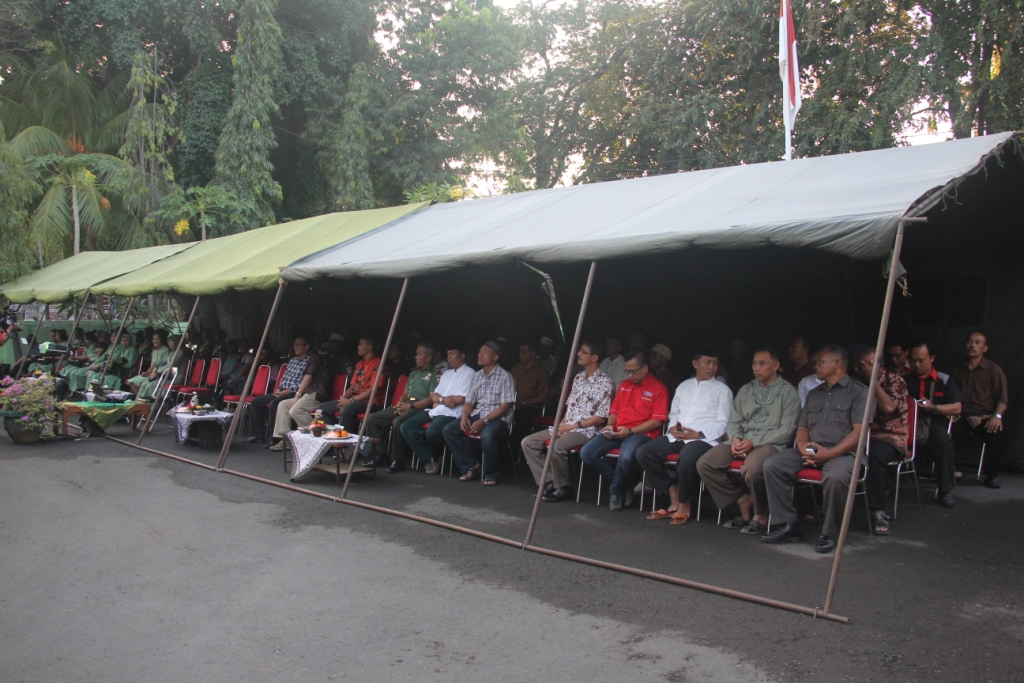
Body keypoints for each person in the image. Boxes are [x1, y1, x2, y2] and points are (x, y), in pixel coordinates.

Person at [761, 344, 868, 553]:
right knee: (772, 465)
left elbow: (859, 433)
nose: (815, 366)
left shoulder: (859, 392)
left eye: (820, 362)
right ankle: (788, 525)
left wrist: (830, 453)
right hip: (812, 450)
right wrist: (803, 448)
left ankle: (828, 532)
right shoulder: (814, 394)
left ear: (837, 363)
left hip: (844, 454)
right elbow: (803, 428)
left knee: (835, 478)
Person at [696, 346, 800, 535]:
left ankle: (761, 514)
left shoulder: (789, 392)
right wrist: (736, 438)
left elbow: (787, 430)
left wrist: (754, 442)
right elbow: (734, 420)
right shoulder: (746, 389)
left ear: (776, 365)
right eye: (754, 363)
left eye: (762, 363)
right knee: (705, 463)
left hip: (769, 444)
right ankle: (742, 500)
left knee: (752, 469)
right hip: (741, 440)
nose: (756, 368)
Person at [635, 346, 732, 524]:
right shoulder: (684, 386)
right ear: (695, 364)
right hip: (678, 435)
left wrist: (698, 434)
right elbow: (674, 413)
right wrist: (673, 428)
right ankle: (672, 489)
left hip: (704, 439)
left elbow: (723, 423)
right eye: (707, 362)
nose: (711, 367)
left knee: (686, 459)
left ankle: (684, 503)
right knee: (644, 452)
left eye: (715, 363)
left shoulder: (722, 390)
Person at [521, 341, 614, 502]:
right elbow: (570, 407)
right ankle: (549, 482)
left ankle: (564, 487)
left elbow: (601, 418)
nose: (578, 354)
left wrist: (572, 426)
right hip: (568, 426)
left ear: (594, 358)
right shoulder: (578, 378)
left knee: (557, 446)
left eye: (583, 352)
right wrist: (561, 425)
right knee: (528, 442)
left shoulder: (605, 382)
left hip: (586, 430)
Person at [579, 350, 669, 511]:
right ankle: (626, 483)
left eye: (633, 371)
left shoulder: (658, 388)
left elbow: (657, 421)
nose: (630, 375)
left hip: (641, 433)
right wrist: (609, 425)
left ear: (645, 368)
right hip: (617, 430)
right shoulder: (624, 386)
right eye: (627, 371)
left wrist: (631, 431)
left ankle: (615, 491)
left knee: (626, 457)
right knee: (586, 453)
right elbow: (614, 410)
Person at [852, 346, 909, 535]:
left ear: (881, 366)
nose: (865, 369)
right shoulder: (856, 381)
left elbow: (889, 407)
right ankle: (830, 505)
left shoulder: (896, 381)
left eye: (871, 365)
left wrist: (873, 381)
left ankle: (877, 511)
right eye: (863, 365)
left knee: (874, 455)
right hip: (861, 434)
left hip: (889, 436)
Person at [443, 341, 516, 486]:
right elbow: (469, 402)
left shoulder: (505, 376)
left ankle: (490, 473)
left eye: (485, 352)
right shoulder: (476, 376)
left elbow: (505, 406)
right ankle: (471, 465)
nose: (480, 354)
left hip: (499, 417)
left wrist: (484, 421)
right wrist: (464, 416)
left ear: (495, 357)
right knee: (449, 430)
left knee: (487, 434)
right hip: (479, 413)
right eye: (480, 351)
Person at [362, 342, 441, 472]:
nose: (416, 357)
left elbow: (431, 398)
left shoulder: (435, 373)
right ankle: (380, 455)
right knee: (372, 419)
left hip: (421, 407)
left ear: (428, 358)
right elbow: (405, 393)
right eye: (416, 354)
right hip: (407, 404)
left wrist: (409, 405)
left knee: (398, 422)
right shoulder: (414, 372)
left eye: (419, 354)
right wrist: (400, 404)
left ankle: (397, 460)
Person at [399, 344, 475, 474]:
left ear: (462, 356)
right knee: (406, 426)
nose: (449, 357)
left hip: (453, 413)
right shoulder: (447, 373)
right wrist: (443, 400)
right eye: (448, 354)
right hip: (438, 409)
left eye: (452, 354)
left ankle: (436, 456)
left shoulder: (470, 373)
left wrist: (441, 400)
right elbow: (434, 396)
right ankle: (429, 457)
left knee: (432, 432)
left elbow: (461, 399)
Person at [904, 341, 961, 507]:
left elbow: (957, 407)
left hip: (934, 422)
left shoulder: (944, 380)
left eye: (921, 360)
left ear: (932, 358)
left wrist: (934, 408)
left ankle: (944, 490)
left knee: (943, 441)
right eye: (913, 360)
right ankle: (887, 485)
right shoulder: (903, 379)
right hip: (907, 423)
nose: (916, 365)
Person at [950, 331, 1009, 489]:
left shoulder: (993, 370)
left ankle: (990, 475)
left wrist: (997, 416)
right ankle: (951, 469)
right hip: (961, 415)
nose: (972, 346)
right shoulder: (958, 370)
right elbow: (950, 396)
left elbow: (1002, 400)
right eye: (970, 342)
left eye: (977, 343)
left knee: (997, 434)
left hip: (983, 416)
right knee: (943, 428)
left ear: (985, 348)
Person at [269, 342, 340, 451]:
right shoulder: (334, 361)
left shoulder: (315, 357)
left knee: (295, 410)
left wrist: (297, 395)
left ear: (319, 351)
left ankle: (318, 437)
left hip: (316, 394)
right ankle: (285, 440)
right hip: (315, 394)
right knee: (283, 404)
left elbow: (308, 376)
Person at [246, 337, 311, 444]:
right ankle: (257, 435)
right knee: (256, 401)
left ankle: (274, 438)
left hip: (295, 393)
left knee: (274, 403)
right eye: (294, 344)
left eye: (298, 344)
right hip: (282, 391)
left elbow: (305, 383)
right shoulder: (293, 360)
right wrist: (279, 388)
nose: (295, 347)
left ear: (306, 347)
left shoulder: (309, 362)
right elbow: (285, 377)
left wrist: (286, 391)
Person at [317, 335, 385, 433]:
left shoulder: (378, 363)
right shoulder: (359, 364)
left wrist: (351, 400)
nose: (358, 347)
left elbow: (373, 390)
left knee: (345, 410)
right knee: (322, 408)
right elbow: (352, 387)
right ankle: (330, 437)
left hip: (370, 402)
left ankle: (348, 440)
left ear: (369, 347)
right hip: (353, 400)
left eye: (361, 344)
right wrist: (343, 399)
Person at [510, 340, 550, 446]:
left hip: (530, 407)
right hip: (511, 404)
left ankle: (518, 449)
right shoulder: (515, 369)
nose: (521, 354)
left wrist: (524, 403)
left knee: (523, 418)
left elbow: (543, 397)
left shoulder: (541, 372)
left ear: (532, 354)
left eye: (524, 352)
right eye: (520, 352)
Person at [127, 330, 172, 400]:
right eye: (153, 339)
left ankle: (142, 400)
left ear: (161, 339)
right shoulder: (154, 351)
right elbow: (152, 366)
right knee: (131, 382)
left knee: (139, 383)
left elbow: (164, 366)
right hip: (151, 373)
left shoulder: (166, 350)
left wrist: (151, 374)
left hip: (158, 375)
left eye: (157, 339)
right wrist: (147, 373)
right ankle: (140, 399)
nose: (155, 341)